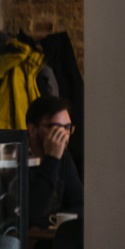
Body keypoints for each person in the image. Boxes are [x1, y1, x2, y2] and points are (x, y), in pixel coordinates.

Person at [25, 95, 83, 230]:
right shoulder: (19, 160)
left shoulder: (63, 157)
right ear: (32, 130)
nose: (63, 135)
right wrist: (51, 159)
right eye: (56, 127)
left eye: (67, 127)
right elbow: (29, 215)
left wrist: (50, 222)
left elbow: (81, 204)